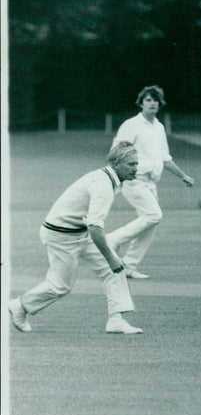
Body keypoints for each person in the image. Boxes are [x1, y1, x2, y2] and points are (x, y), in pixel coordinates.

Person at [8, 142, 144, 334]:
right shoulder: (103, 184)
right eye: (131, 164)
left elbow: (91, 227)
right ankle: (20, 306)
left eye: (136, 164)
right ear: (115, 164)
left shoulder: (107, 178)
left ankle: (116, 320)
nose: (136, 168)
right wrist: (111, 256)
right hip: (61, 235)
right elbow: (95, 228)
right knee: (60, 286)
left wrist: (112, 260)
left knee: (115, 269)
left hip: (78, 232)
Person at [106, 85, 195, 279]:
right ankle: (112, 240)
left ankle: (129, 265)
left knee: (150, 222)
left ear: (160, 104)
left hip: (151, 181)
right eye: (148, 100)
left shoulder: (159, 127)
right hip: (133, 179)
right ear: (141, 103)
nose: (152, 103)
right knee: (154, 215)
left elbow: (164, 157)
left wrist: (183, 176)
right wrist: (117, 176)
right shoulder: (132, 125)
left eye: (155, 100)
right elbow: (117, 150)